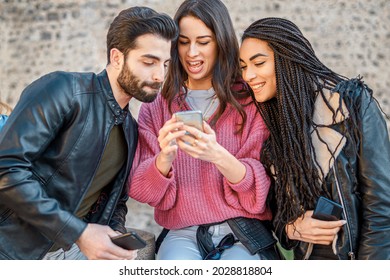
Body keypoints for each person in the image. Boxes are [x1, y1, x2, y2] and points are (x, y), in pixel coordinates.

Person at [0, 6, 177, 260]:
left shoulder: (130, 129)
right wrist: (79, 232)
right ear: (117, 58)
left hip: (72, 250)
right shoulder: (63, 89)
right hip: (13, 252)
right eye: (149, 62)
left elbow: (117, 201)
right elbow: (7, 168)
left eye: (165, 64)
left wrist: (116, 238)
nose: (160, 75)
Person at [129, 0, 280, 260]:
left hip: (242, 229)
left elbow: (260, 191)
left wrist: (217, 155)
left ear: (220, 42)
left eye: (203, 41)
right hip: (181, 231)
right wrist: (163, 159)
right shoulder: (157, 105)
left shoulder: (249, 100)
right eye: (184, 42)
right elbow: (142, 190)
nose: (192, 53)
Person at [239, 17, 390, 260]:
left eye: (258, 63)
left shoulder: (354, 104)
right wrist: (293, 228)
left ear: (287, 59)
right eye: (244, 66)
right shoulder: (272, 126)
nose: (248, 75)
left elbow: (381, 210)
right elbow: (276, 217)